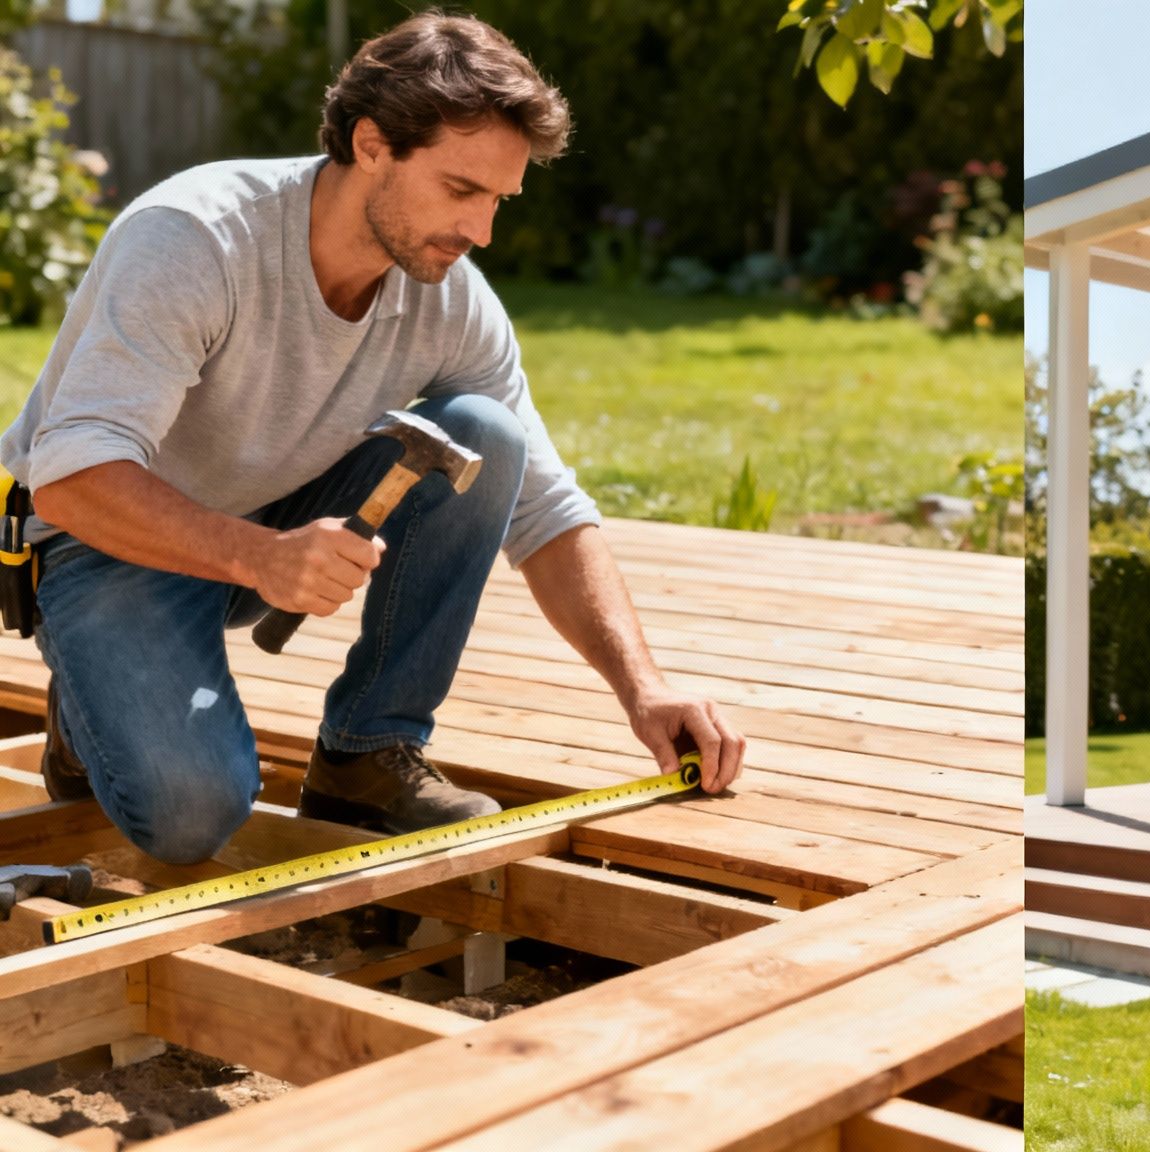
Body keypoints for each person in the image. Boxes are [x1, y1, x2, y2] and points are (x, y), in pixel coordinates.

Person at [0, 11, 745, 864]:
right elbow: (70, 477)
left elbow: (542, 500)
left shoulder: (446, 294)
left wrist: (643, 689)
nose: (482, 232)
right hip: (100, 541)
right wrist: (259, 558)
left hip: (269, 526)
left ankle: (366, 757)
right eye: (462, 191)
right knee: (190, 817)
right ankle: (86, 715)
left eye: (499, 201)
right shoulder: (195, 240)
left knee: (485, 436)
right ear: (371, 143)